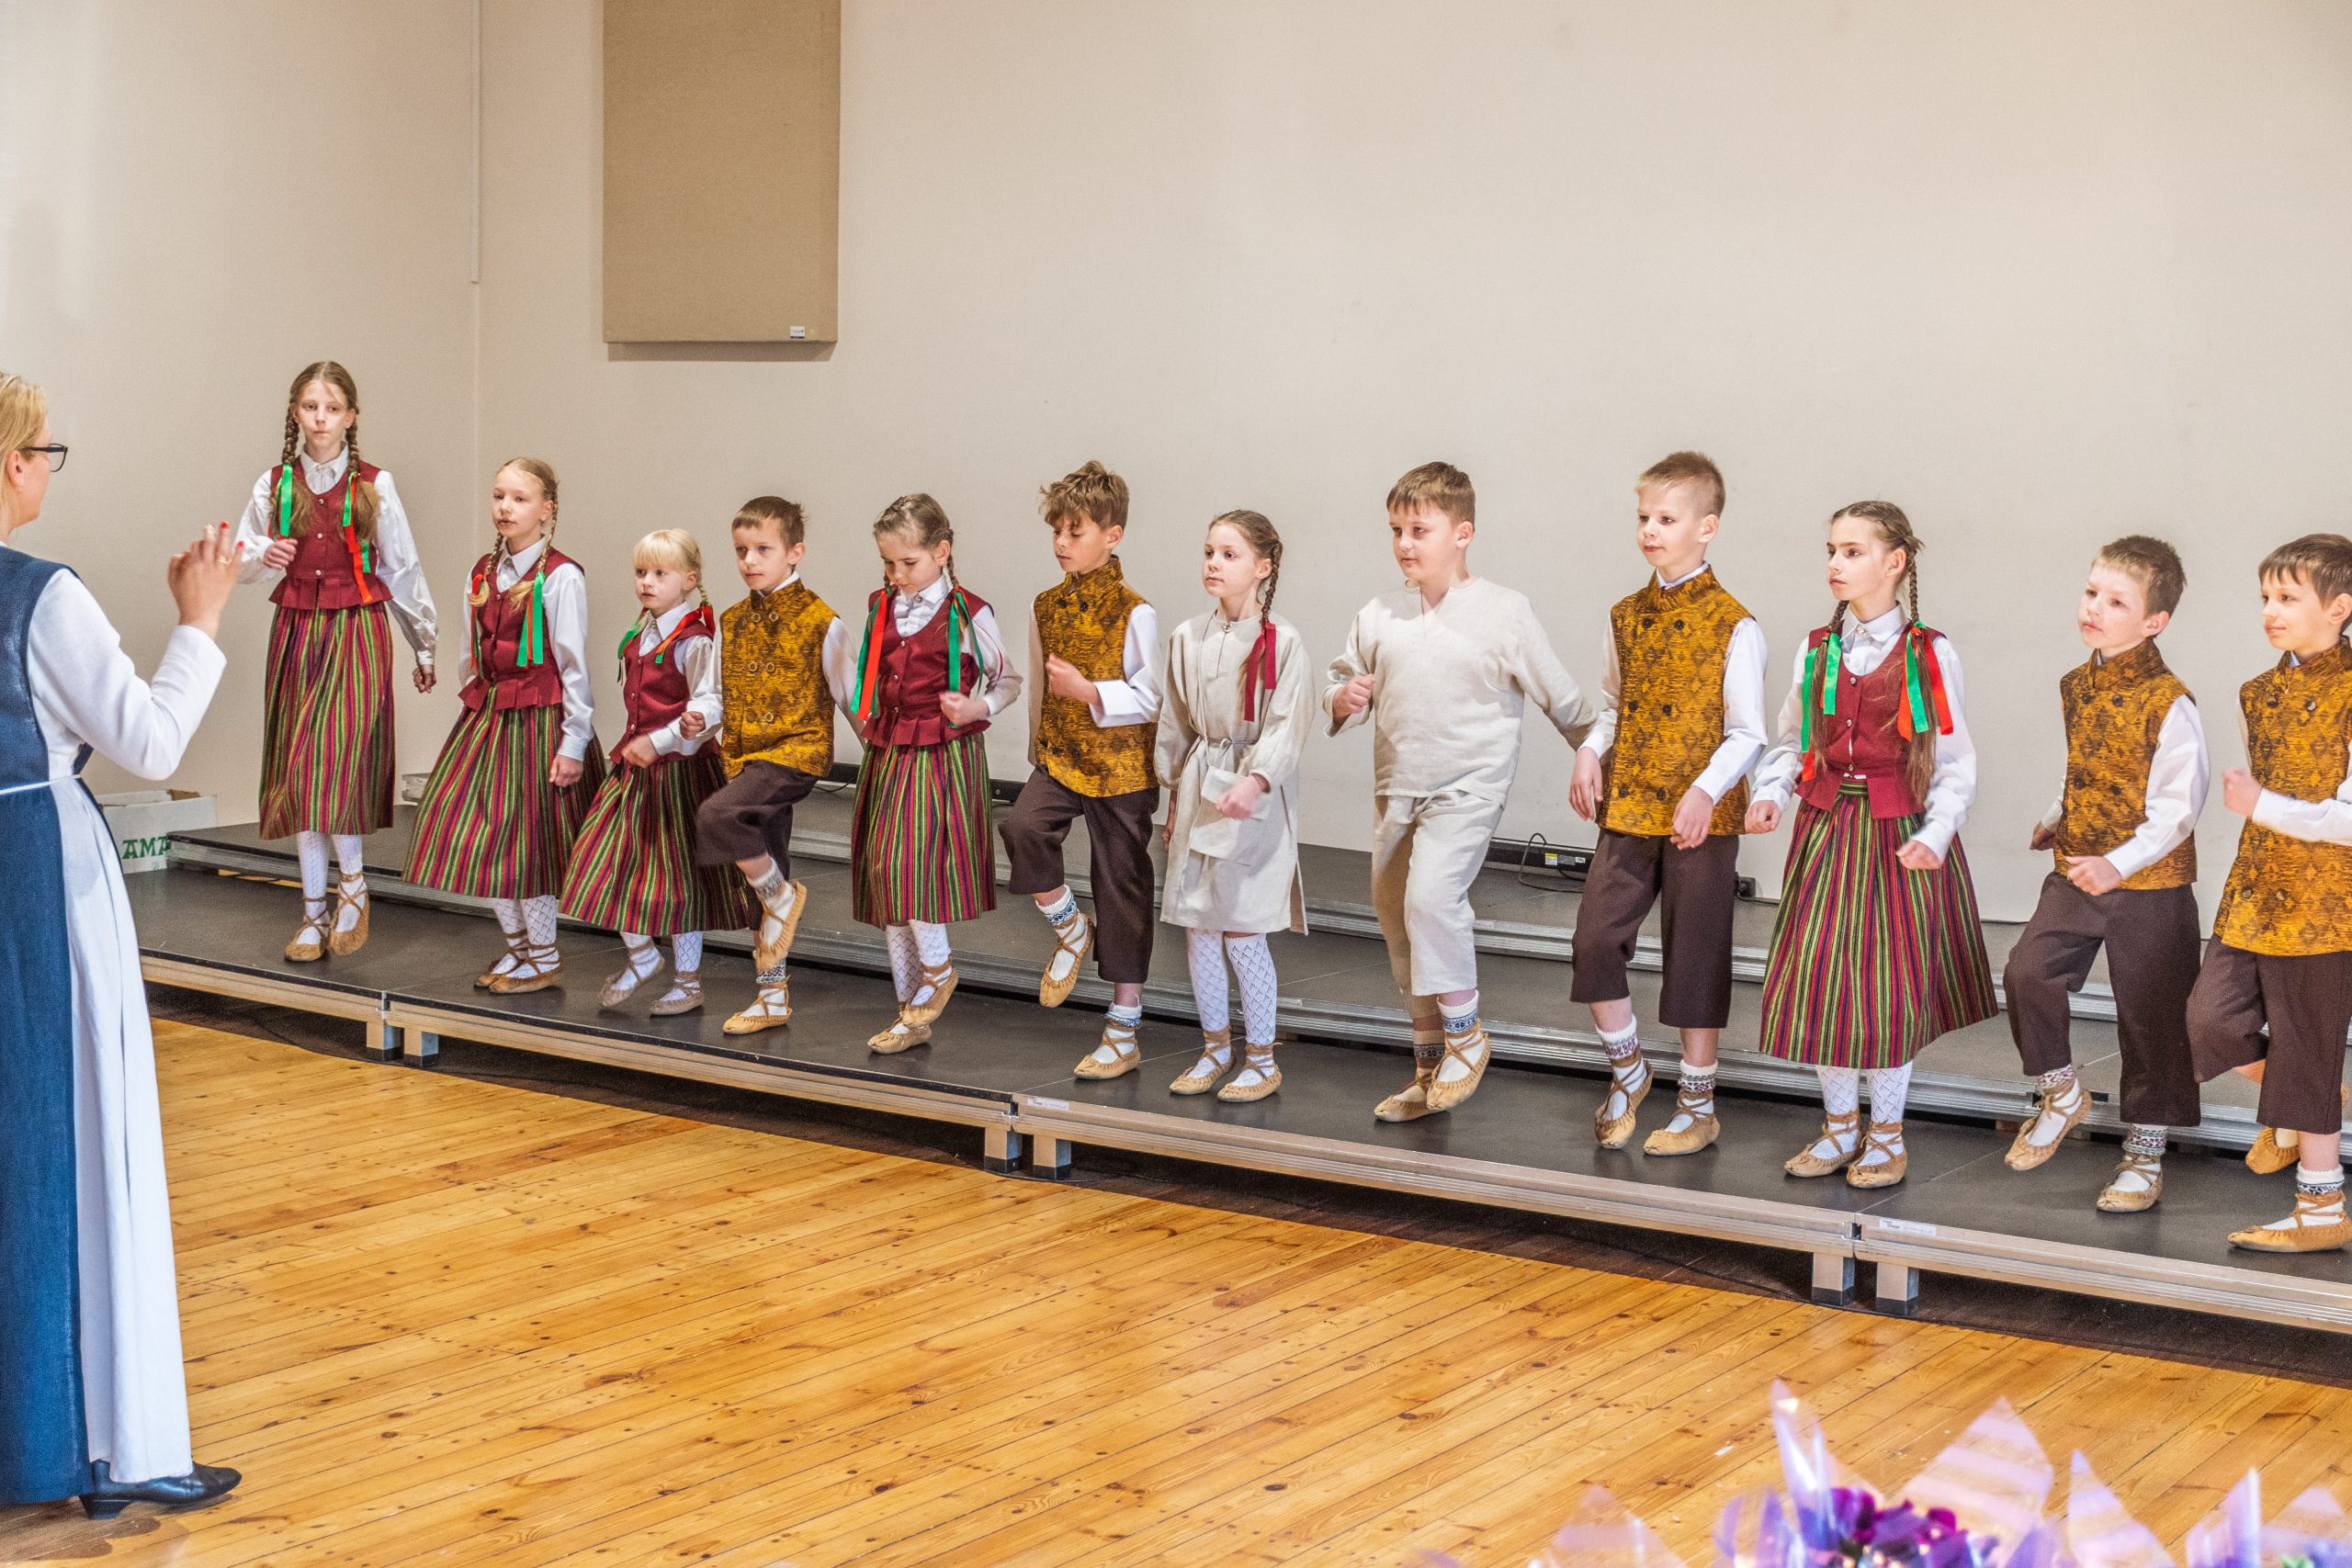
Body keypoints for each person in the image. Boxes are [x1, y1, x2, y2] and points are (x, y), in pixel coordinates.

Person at [0, 370, 243, 1517]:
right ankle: (115, 1440)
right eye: (47, 450)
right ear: (13, 462)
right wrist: (201, 620)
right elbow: (147, 741)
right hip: (36, 878)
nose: (50, 468)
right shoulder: (39, 596)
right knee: (92, 1137)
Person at [1324, 461, 1596, 1122]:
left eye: (1420, 529)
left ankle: (1467, 1037)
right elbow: (1340, 683)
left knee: (1431, 897)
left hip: (1469, 789)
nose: (1404, 543)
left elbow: (1565, 700)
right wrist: (1341, 696)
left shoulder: (1505, 611)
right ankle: (1428, 1068)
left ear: (1463, 532)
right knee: (1398, 922)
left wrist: (1597, 755)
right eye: (1396, 530)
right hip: (1398, 789)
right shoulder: (1379, 612)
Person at [1747, 501, 1996, 1188]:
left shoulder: (1929, 653)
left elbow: (1954, 763)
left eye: (1853, 551)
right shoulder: (1817, 649)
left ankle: (1887, 1134)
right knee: (1824, 981)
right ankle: (1838, 1127)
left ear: (1895, 562)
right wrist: (1773, 792)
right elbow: (1793, 741)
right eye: (1832, 550)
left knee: (1887, 990)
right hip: (1828, 830)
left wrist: (1937, 832)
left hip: (1899, 834)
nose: (1836, 563)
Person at [1568, 452, 1766, 1156]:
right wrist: (1590, 750)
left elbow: (1749, 732)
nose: (1650, 530)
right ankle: (1629, 1067)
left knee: (1695, 952)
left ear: (1706, 527)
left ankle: (1697, 1102)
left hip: (1699, 818)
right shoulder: (1625, 615)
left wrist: (1706, 789)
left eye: (1666, 518)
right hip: (1630, 805)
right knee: (1594, 941)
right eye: (1644, 517)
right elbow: (1612, 705)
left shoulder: (1735, 624)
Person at [2002, 537, 2206, 1211]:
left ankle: (2144, 1155)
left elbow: (2178, 808)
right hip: (2079, 869)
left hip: (2149, 885)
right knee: (2027, 973)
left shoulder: (2171, 701)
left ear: (2154, 621)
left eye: (2117, 602)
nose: (2094, 608)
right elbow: (2090, 766)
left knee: (2151, 1020)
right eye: (2092, 593)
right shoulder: (2076, 683)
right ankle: (2062, 1093)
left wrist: (2118, 863)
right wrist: (2057, 816)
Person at [232, 361, 435, 962]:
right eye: (309, 407)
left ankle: (352, 884)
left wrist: (423, 644)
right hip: (297, 628)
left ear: (351, 416)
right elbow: (243, 559)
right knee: (300, 771)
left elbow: (401, 567)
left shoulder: (374, 484)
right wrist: (265, 553)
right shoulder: (275, 484)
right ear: (295, 413)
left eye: (332, 408)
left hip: (356, 629)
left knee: (338, 762)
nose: (320, 418)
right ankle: (313, 910)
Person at [2188, 534, 2352, 1253]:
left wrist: (2265, 806)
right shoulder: (2257, 692)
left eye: (2288, 597)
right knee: (2207, 1020)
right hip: (2255, 894)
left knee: (2309, 1044)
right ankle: (2298, 1097)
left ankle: (2321, 1207)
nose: (2270, 610)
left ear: (2339, 607)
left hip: (2329, 906)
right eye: (2265, 597)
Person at [403, 459, 604, 990]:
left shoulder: (561, 576)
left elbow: (573, 666)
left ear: (547, 509)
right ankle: (519, 948)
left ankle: (544, 954)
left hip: (538, 718)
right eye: (499, 497)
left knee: (525, 843)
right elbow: (471, 648)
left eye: (519, 499)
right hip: (491, 714)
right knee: (476, 836)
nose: (505, 508)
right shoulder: (483, 571)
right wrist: (474, 695)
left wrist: (574, 741)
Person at [999, 460, 1165, 1077]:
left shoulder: (1135, 611)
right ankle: (1070, 926)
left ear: (1112, 535)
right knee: (1021, 827)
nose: (1062, 543)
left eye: (1076, 532)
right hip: (1063, 757)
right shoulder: (1046, 605)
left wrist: (1092, 691)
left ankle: (1123, 1026)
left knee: (1121, 886)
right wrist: (1039, 748)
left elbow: (1151, 697)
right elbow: (1043, 689)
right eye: (1057, 532)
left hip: (1121, 770)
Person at [845, 494, 1020, 1052]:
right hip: (891, 748)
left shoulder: (968, 612)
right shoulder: (882, 605)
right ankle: (910, 1012)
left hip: (939, 751)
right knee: (884, 876)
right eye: (888, 563)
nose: (897, 575)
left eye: (909, 562)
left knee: (910, 867)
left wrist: (976, 707)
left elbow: (1008, 680)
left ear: (941, 552)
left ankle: (939, 970)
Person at [560, 530, 753, 1015]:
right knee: (604, 862)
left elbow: (711, 700)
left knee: (679, 880)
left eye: (660, 574)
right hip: (634, 771)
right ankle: (644, 955)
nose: (647, 582)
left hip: (678, 774)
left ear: (689, 580)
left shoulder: (694, 640)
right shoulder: (643, 633)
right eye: (641, 572)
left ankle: (688, 980)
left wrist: (689, 725)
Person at [1156, 510, 1310, 1100]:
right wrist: (1175, 796)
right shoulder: (1187, 636)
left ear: (1263, 567)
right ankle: (1215, 1048)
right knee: (1199, 924)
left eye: (1229, 554)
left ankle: (1263, 1058)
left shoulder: (1283, 642)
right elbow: (1175, 721)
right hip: (1203, 779)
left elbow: (1287, 724)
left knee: (1242, 926)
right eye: (1209, 553)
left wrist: (1257, 779)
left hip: (1252, 787)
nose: (1214, 564)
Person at [690, 496, 854, 1035]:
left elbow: (850, 697)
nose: (749, 561)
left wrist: (882, 758)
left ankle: (782, 896)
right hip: (744, 756)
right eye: (741, 550)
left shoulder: (822, 622)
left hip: (794, 754)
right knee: (764, 865)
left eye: (763, 549)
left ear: (794, 553)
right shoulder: (732, 621)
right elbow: (716, 692)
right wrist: (700, 717)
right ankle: (771, 996)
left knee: (717, 817)